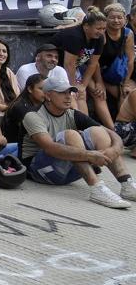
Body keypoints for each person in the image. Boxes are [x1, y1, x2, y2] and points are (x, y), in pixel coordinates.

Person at [20, 74, 134, 208]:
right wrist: (90, 155)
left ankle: (127, 183)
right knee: (71, 135)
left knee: (97, 132)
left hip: (69, 171)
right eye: (62, 92)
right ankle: (96, 188)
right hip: (40, 172)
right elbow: (50, 147)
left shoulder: (72, 113)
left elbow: (112, 134)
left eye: (70, 92)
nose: (68, 96)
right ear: (48, 95)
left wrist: (113, 150)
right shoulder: (33, 115)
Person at [53, 8, 113, 128]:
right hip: (55, 67)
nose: (101, 32)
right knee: (78, 95)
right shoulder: (75, 36)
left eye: (103, 29)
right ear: (86, 27)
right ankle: (86, 129)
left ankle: (112, 129)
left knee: (98, 92)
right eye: (98, 28)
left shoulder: (99, 38)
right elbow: (68, 64)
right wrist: (75, 86)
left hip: (77, 67)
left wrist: (84, 85)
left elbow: (93, 63)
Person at [98, 2, 134, 103]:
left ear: (125, 19)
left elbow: (130, 60)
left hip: (118, 73)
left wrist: (126, 82)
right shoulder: (101, 34)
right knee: (122, 95)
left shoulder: (128, 34)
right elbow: (94, 62)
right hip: (101, 73)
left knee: (129, 92)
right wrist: (99, 82)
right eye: (112, 17)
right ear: (105, 19)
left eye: (119, 17)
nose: (116, 20)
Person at [2, 74, 45, 145]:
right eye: (41, 89)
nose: (45, 92)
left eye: (47, 89)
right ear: (30, 89)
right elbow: (37, 133)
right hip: (15, 147)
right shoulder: (19, 107)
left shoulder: (44, 103)